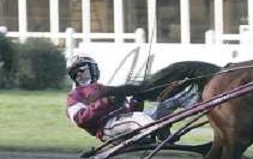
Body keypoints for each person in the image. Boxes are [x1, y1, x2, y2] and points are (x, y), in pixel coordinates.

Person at [65, 54, 197, 141]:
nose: (94, 71)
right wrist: (106, 102)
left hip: (127, 121)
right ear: (78, 74)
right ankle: (158, 134)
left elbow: (130, 112)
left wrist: (137, 100)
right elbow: (80, 119)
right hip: (106, 128)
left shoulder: (103, 88)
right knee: (138, 119)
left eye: (93, 68)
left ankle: (201, 103)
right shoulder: (74, 96)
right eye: (89, 68)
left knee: (168, 102)